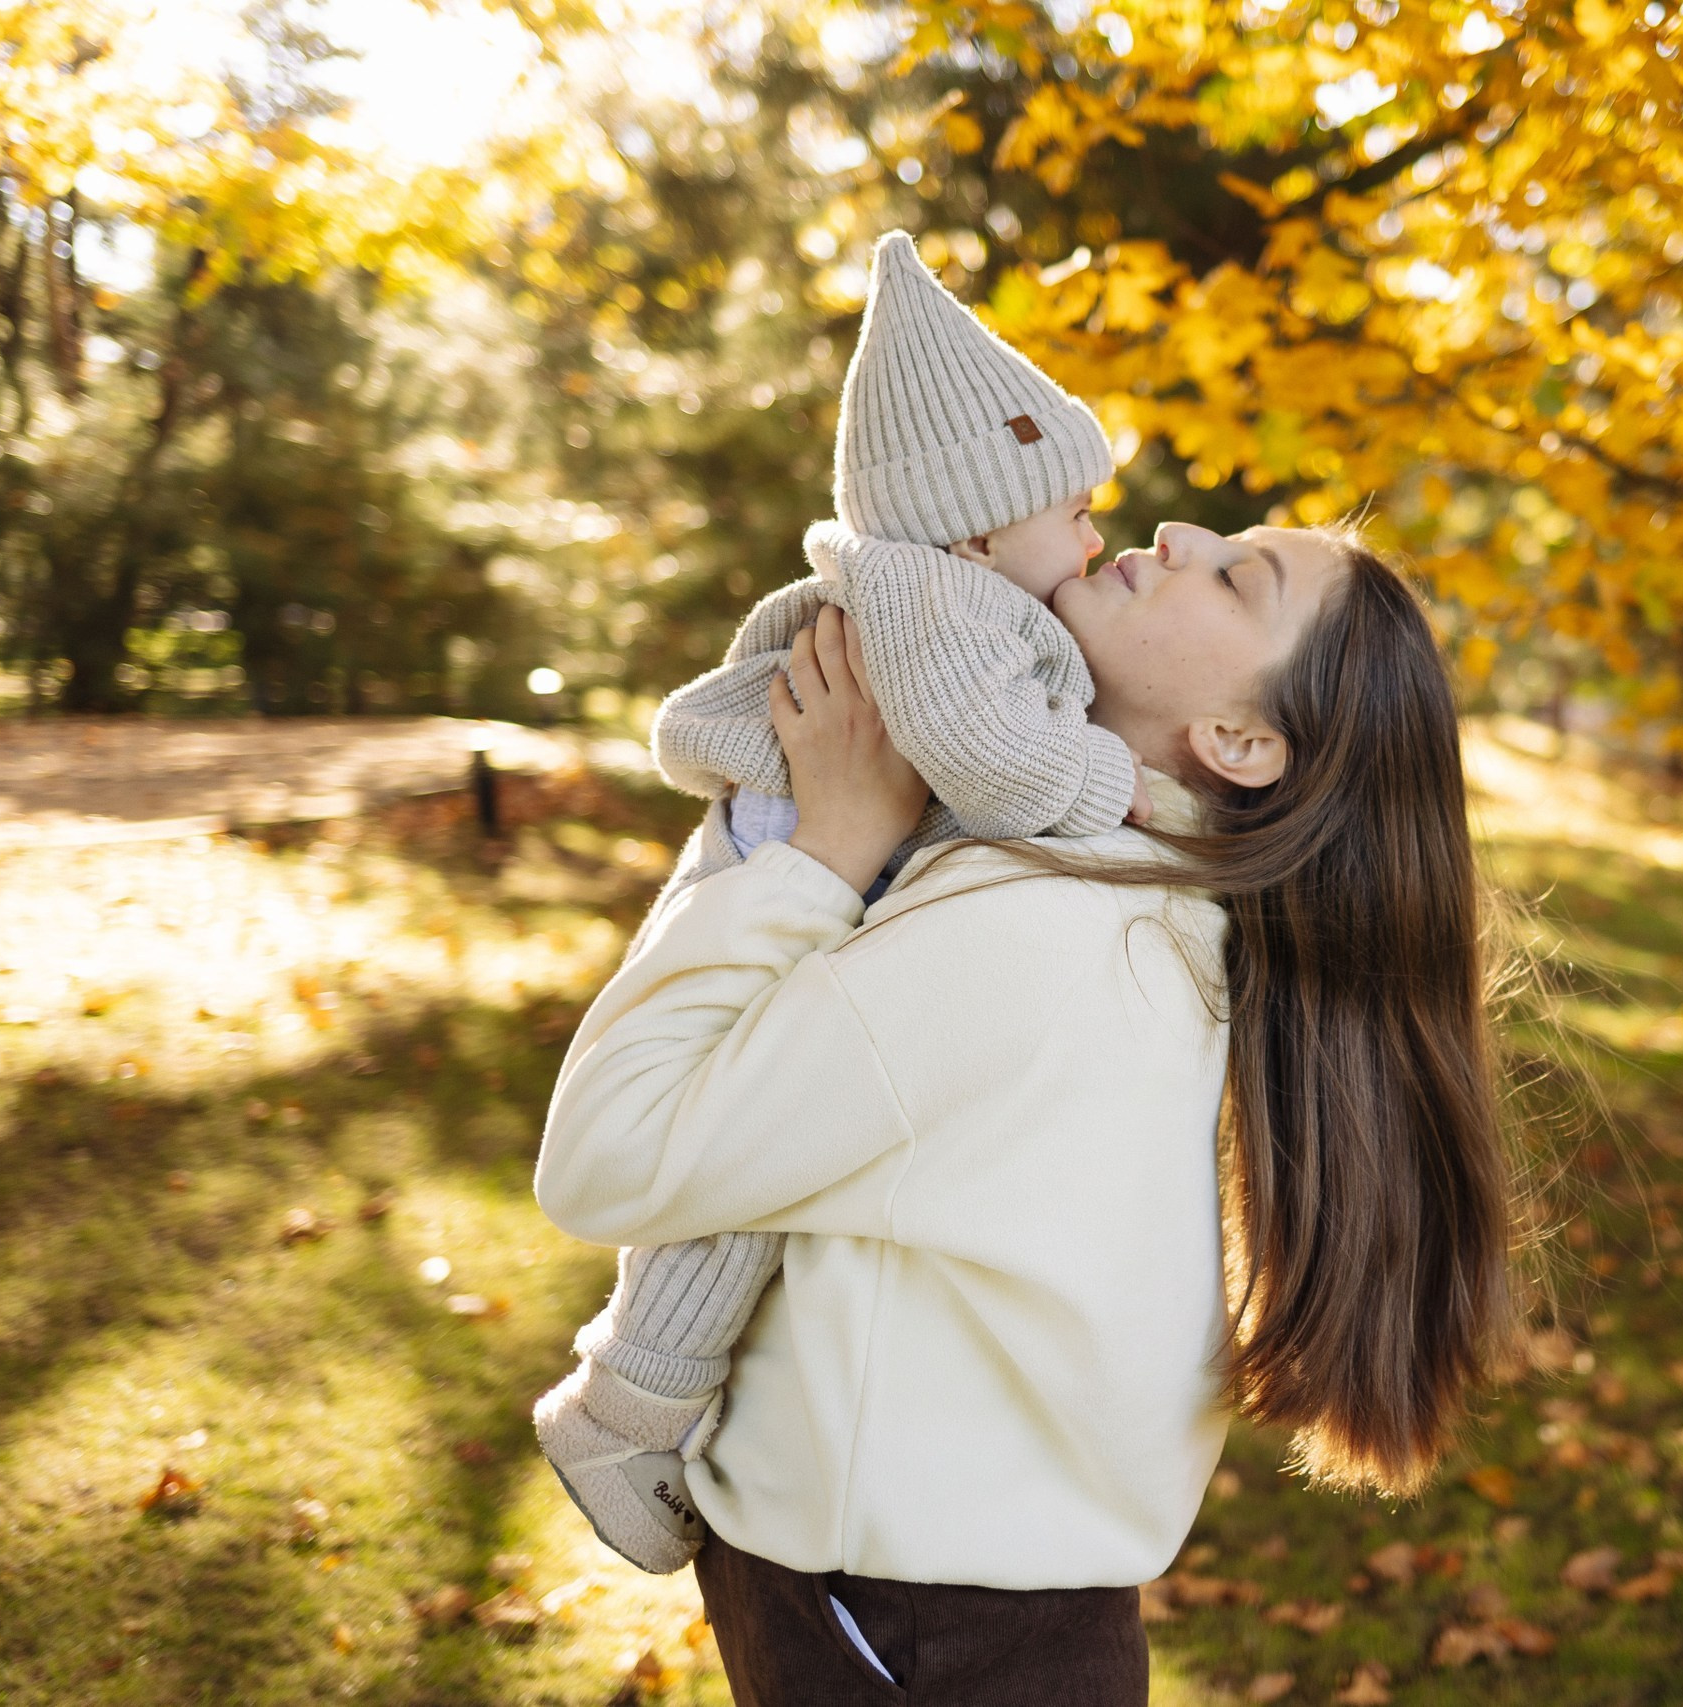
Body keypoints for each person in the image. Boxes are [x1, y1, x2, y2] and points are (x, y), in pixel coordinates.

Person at [534, 518, 1519, 1705]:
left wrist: (823, 850)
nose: (1178, 530)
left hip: (896, 1628)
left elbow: (607, 1152)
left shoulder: (1050, 926)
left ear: (1241, 740)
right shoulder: (1137, 898)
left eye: (1234, 576)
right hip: (956, 1616)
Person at [533, 229, 1152, 1574]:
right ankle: (624, 1405)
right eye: (1076, 508)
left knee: (750, 1156)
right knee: (736, 1170)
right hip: (790, 854)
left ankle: (629, 1400)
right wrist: (1126, 783)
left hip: (801, 846)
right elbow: (991, 764)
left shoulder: (959, 591)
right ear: (984, 519)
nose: (1098, 534)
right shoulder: (940, 594)